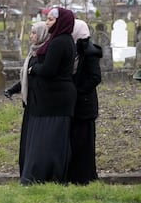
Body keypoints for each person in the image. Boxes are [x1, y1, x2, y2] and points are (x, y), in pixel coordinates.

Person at [20, 7, 77, 185]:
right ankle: (45, 176)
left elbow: (49, 70)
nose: (47, 22)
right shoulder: (60, 40)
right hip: (52, 99)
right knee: (48, 139)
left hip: (56, 100)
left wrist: (33, 68)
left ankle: (43, 175)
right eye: (47, 19)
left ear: (61, 22)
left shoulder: (60, 42)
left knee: (49, 140)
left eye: (51, 20)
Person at [4, 21, 50, 176]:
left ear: (43, 34)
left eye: (34, 33)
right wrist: (12, 90)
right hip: (30, 104)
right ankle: (25, 170)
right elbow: (26, 77)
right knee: (26, 140)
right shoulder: (32, 53)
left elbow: (38, 76)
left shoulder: (44, 54)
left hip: (40, 104)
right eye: (31, 33)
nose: (31, 36)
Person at [68, 19, 102, 185]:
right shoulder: (74, 49)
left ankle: (85, 177)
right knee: (74, 140)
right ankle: (75, 175)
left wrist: (77, 90)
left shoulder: (89, 51)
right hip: (75, 103)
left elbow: (95, 77)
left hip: (85, 104)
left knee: (84, 142)